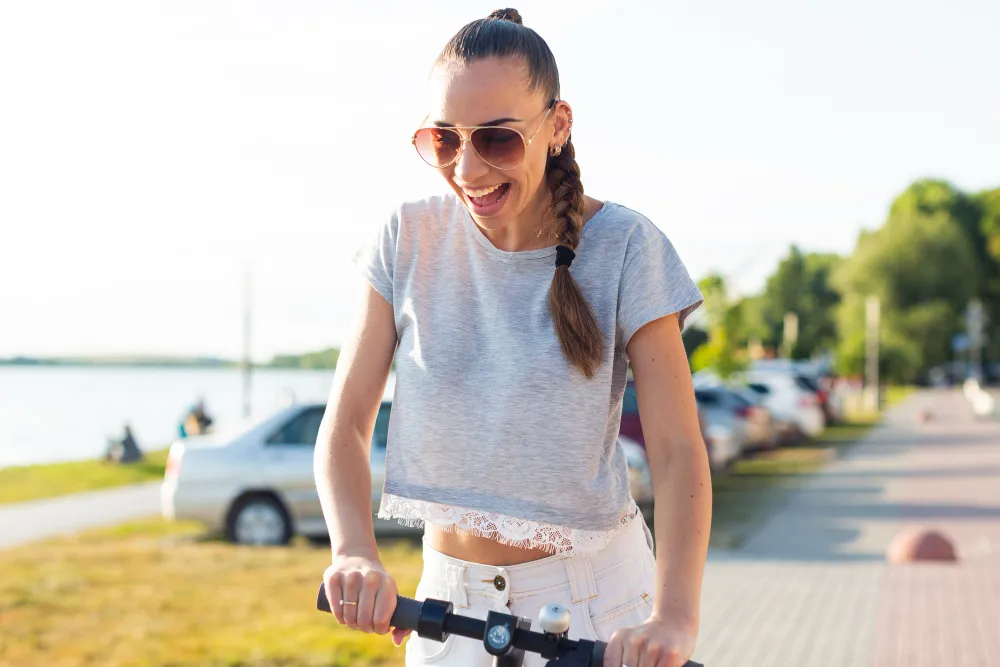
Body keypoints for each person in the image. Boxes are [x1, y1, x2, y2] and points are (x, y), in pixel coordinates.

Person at [314, 9, 711, 667]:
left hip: (597, 611)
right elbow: (345, 425)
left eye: (497, 139)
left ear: (558, 126)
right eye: (444, 139)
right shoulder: (406, 239)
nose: (467, 168)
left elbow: (676, 450)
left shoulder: (627, 247)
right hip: (447, 611)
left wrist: (674, 616)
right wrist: (354, 549)